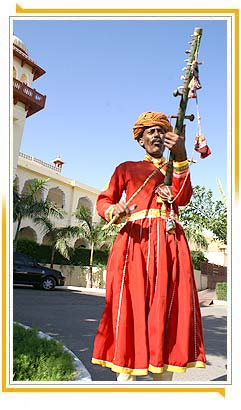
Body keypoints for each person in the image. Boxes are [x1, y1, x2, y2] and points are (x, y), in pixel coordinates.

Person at [91, 111, 206, 382]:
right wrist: (115, 209)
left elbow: (184, 197)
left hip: (170, 246)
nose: (155, 134)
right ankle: (127, 376)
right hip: (135, 245)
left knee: (168, 308)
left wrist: (180, 155)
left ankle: (162, 377)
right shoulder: (127, 168)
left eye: (160, 130)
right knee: (131, 309)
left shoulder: (175, 168)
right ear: (141, 140)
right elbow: (103, 201)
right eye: (150, 131)